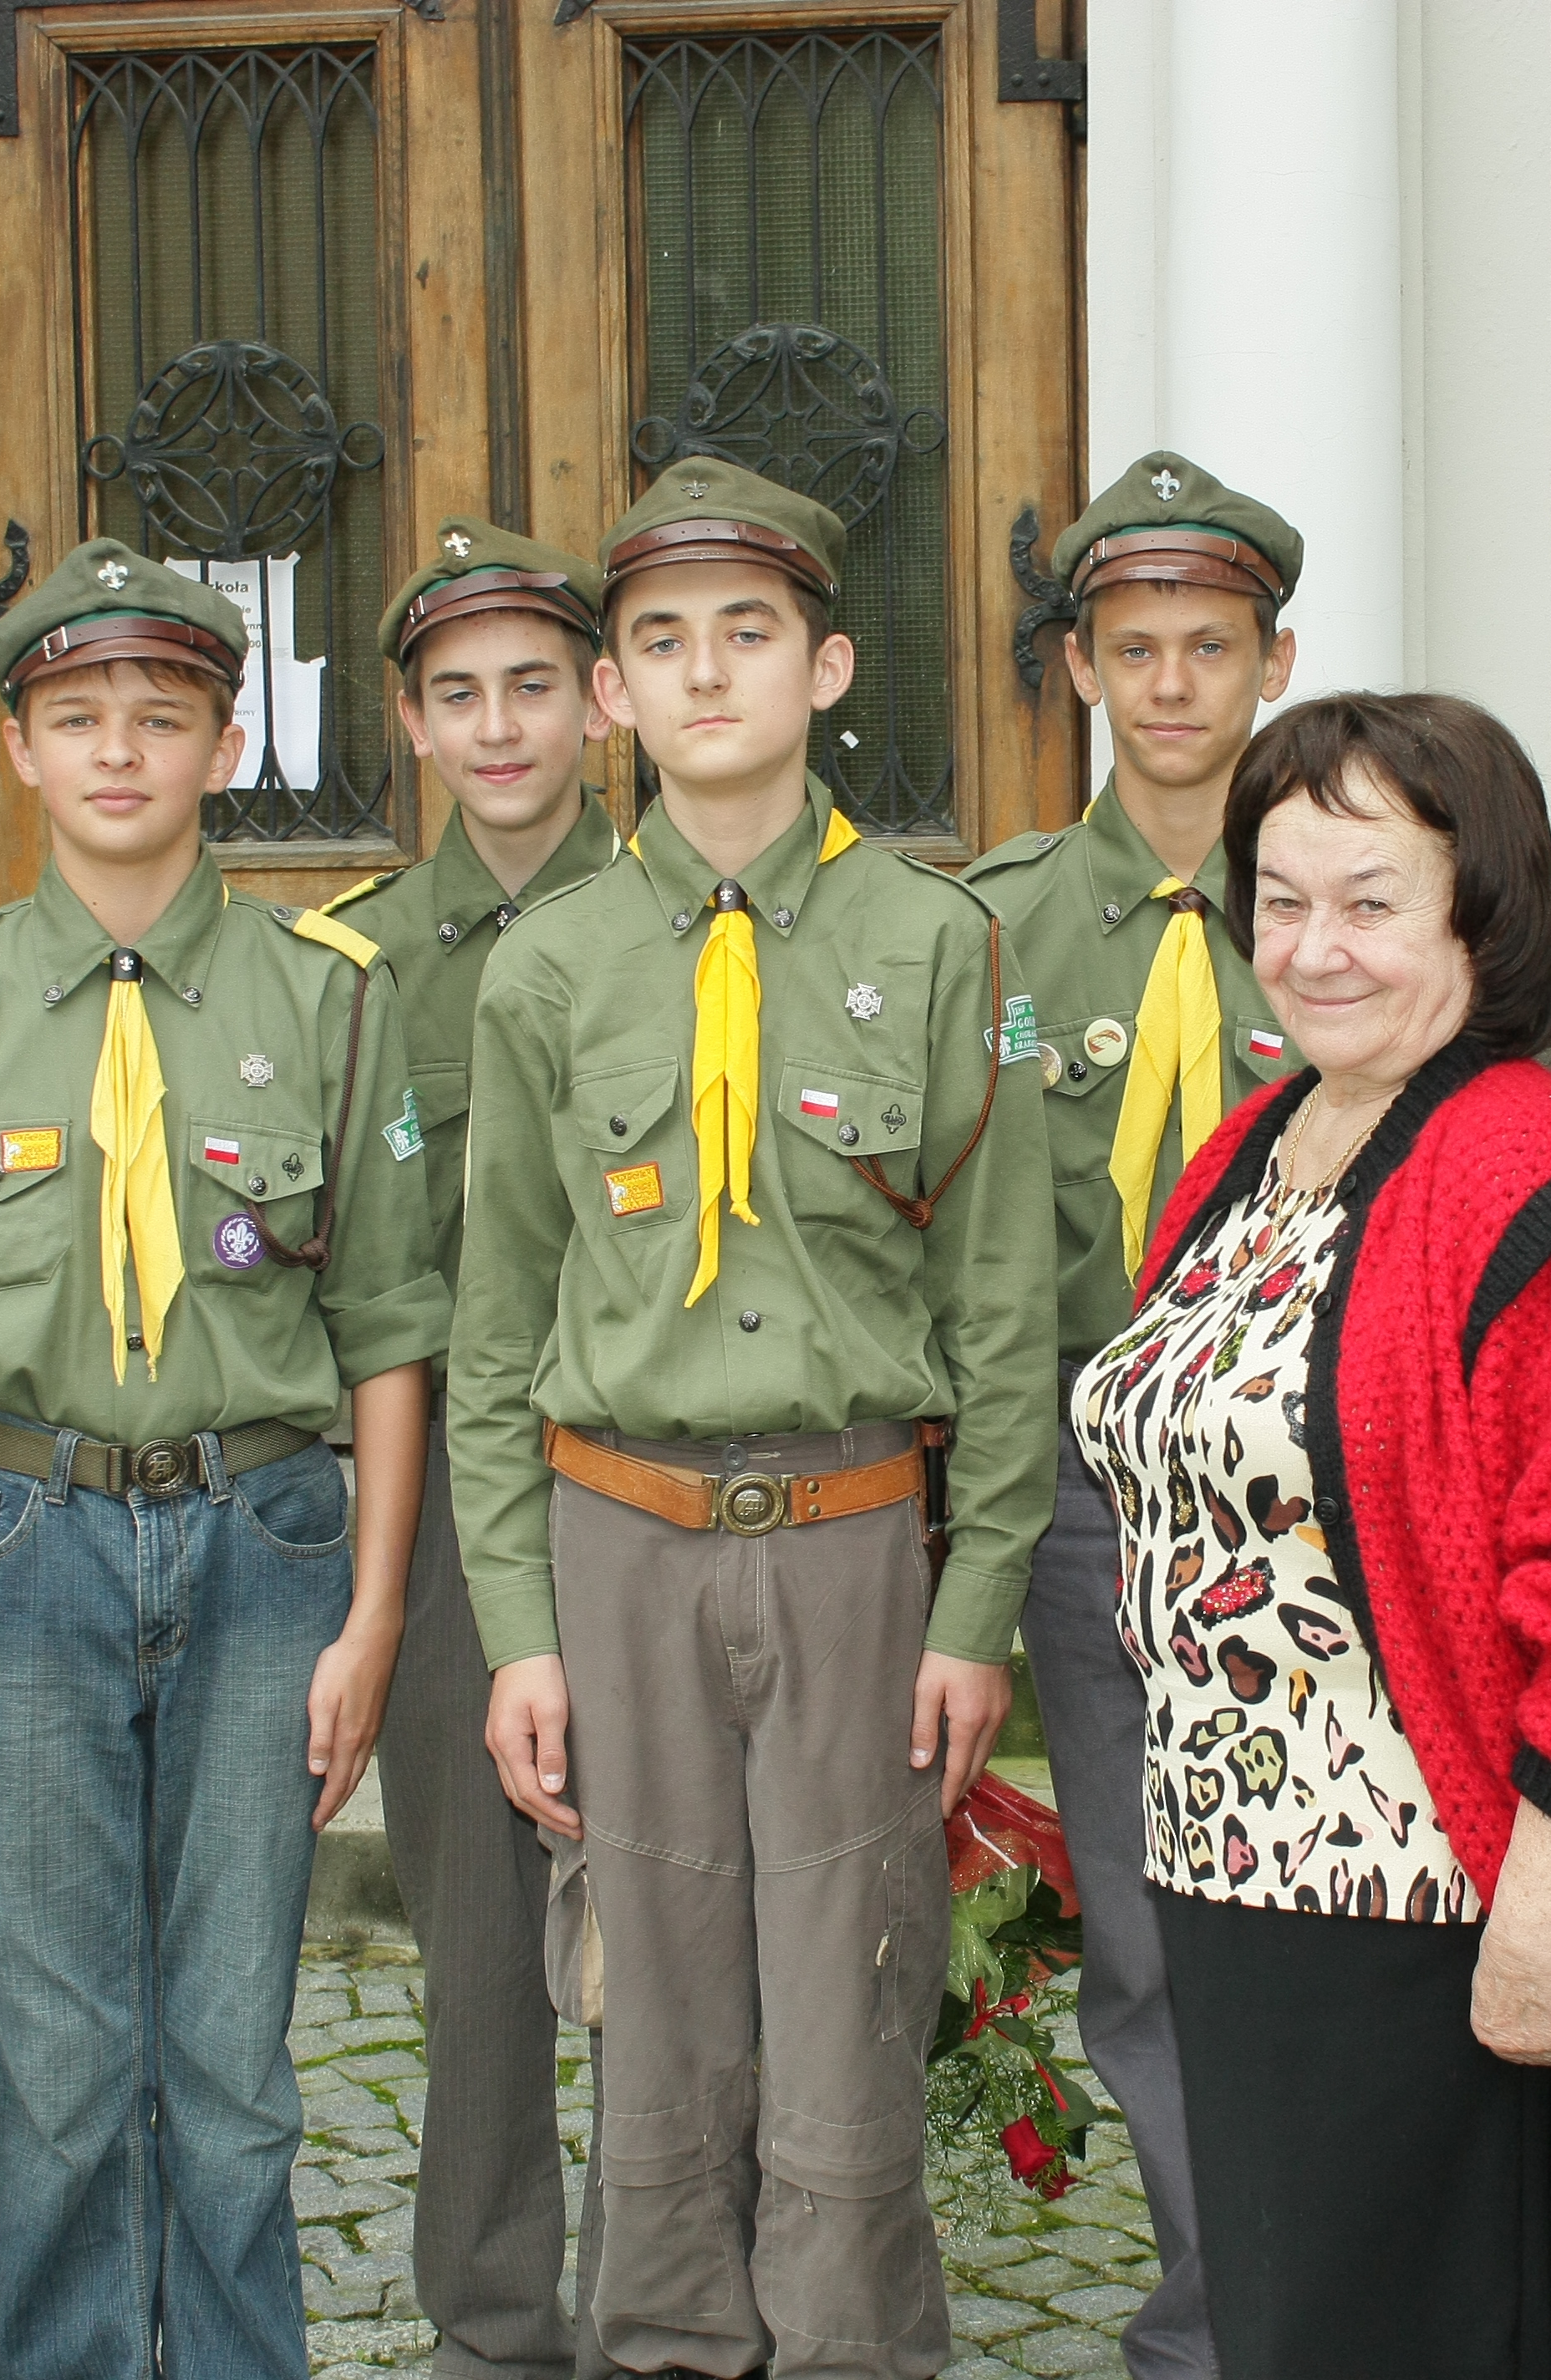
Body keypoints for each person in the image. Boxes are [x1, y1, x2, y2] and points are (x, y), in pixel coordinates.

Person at [452, 457, 1055, 2378]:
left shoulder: (939, 941)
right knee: (651, 1989)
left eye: (748, 634)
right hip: (619, 1539)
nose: (705, 675)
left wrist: (974, 1619)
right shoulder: (550, 966)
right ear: (611, 693)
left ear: (828, 664)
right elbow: (491, 1329)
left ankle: (857, 2351)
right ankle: (663, 2347)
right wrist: (521, 1627)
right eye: (659, 642)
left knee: (853, 1974)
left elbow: (1001, 1311)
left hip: (855, 1535)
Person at [1074, 689, 1551, 2380]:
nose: (1314, 948)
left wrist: (1542, 1924)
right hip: (1236, 1893)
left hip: (1421, 1920)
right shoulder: (1255, 1150)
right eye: (1282, 898)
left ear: (1483, 911)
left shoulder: (1528, 1188)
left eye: (1370, 900)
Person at [0, 540, 450, 2379]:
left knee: (228, 2033)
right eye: (77, 716)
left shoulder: (329, 993)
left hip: (263, 1546)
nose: (119, 750)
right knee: (57, 2041)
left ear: (227, 740)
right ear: (17, 745)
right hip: (13, 1545)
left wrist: (368, 1620)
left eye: (162, 716)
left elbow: (388, 1325)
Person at [961, 450, 1303, 2379]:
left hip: (1302, 1502)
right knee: (1148, 1935)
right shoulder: (997, 931)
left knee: (1328, 1915)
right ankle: (1210, 2312)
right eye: (1134, 647)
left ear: (1273, 658)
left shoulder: (1345, 891)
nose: (1173, 684)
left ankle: (1323, 2283)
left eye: (1210, 645)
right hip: (1097, 1502)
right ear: (1079, 667)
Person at [322, 516, 621, 2380]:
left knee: (703, 1917)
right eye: (458, 693)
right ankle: (499, 2319)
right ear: (410, 724)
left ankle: (703, 2286)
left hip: (664, 1487)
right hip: (450, 1509)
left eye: (532, 684)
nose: (499, 727)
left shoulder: (691, 918)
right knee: (484, 1943)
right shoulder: (352, 977)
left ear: (599, 701)